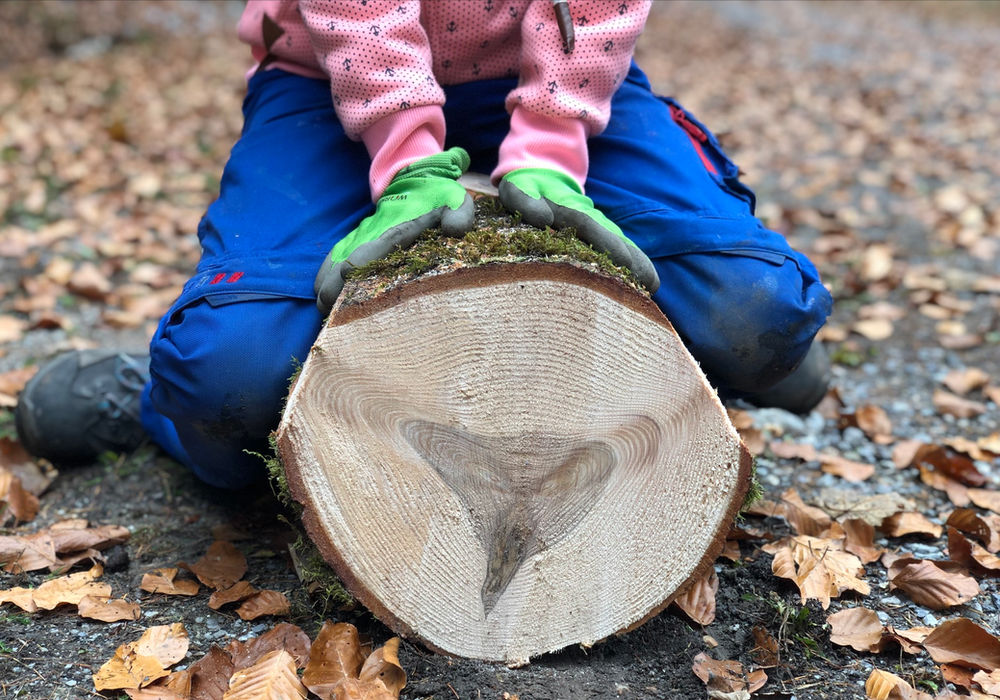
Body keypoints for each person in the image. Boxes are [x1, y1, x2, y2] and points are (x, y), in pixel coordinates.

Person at [16, 0, 832, 489]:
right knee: (226, 382)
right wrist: (407, 158)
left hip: (557, 67)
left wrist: (551, 139)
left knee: (760, 309)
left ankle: (723, 351)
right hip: (326, 76)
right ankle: (155, 400)